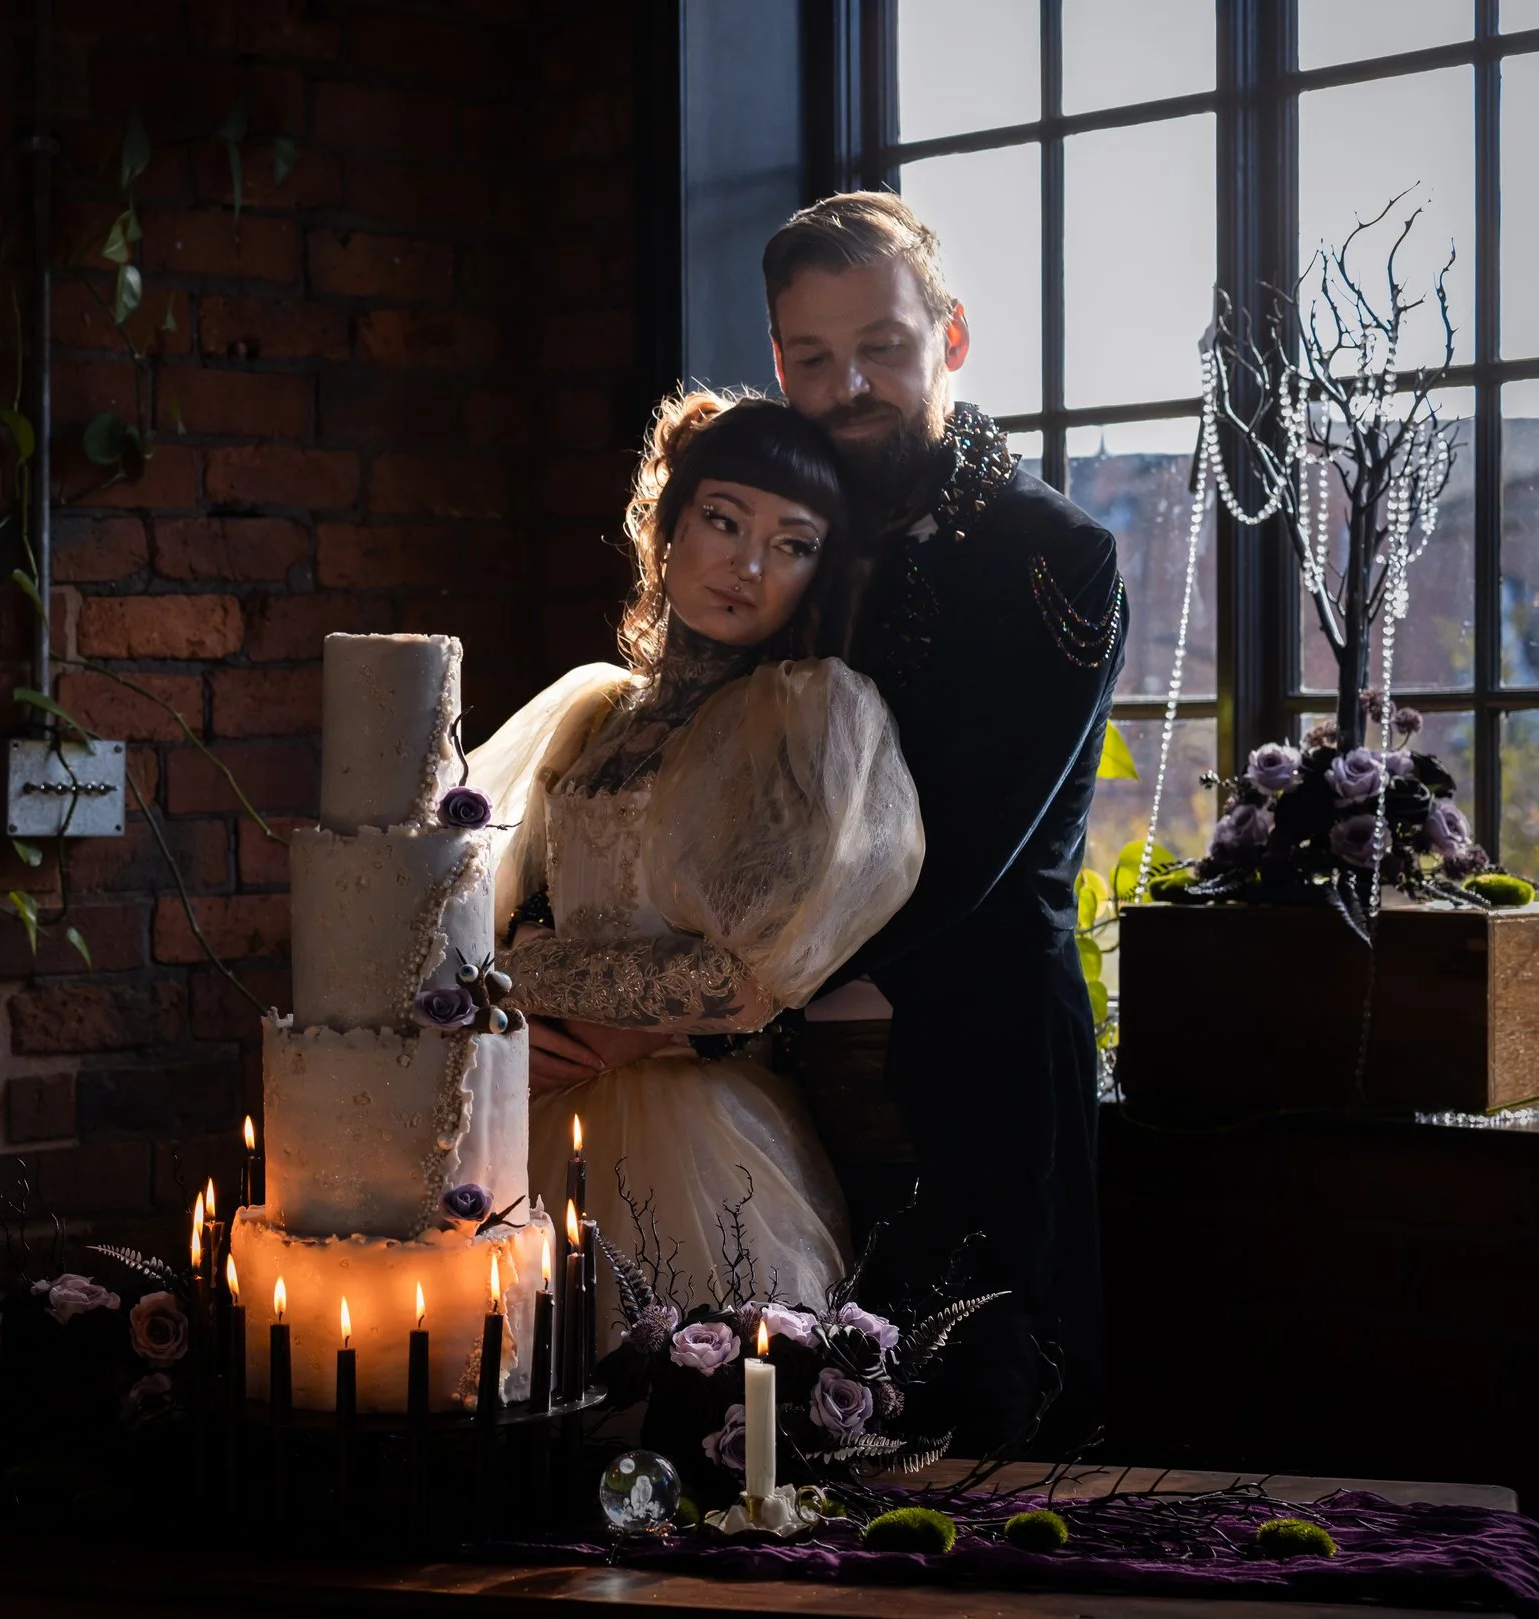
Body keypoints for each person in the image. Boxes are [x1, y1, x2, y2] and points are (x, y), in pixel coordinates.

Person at [764, 191, 1126, 1449]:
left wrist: (720, 988)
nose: (847, 381)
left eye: (882, 344)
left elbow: (963, 849)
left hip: (983, 1060)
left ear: (952, 336)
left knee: (979, 1435)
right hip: (775, 1072)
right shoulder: (771, 527)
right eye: (810, 357)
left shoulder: (1052, 549)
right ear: (777, 363)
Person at [470, 394, 925, 1320]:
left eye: (792, 544)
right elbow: (505, 915)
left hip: (696, 1134)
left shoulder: (805, 717)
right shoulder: (595, 715)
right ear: (668, 523)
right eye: (723, 521)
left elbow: (748, 981)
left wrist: (533, 983)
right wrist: (523, 997)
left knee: (691, 1399)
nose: (747, 566)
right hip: (542, 1106)